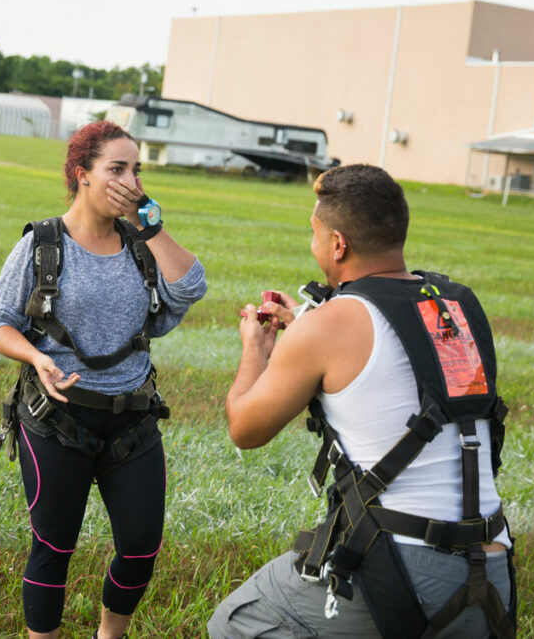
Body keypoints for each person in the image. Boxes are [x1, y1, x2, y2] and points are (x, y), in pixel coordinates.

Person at [208, 164, 516, 639]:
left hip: (401, 570)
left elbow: (244, 429)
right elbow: (404, 370)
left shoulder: (327, 324)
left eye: (314, 233)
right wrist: (308, 336)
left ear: (338, 244)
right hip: (494, 567)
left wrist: (258, 350)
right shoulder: (455, 305)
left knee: (234, 622)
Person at [0, 120, 206, 639]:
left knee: (141, 549)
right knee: (54, 547)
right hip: (57, 419)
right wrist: (36, 359)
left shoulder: (139, 244)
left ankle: (110, 635)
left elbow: (190, 287)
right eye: (117, 169)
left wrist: (150, 225)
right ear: (82, 174)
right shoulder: (42, 244)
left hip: (133, 421)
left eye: (137, 170)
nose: (131, 181)